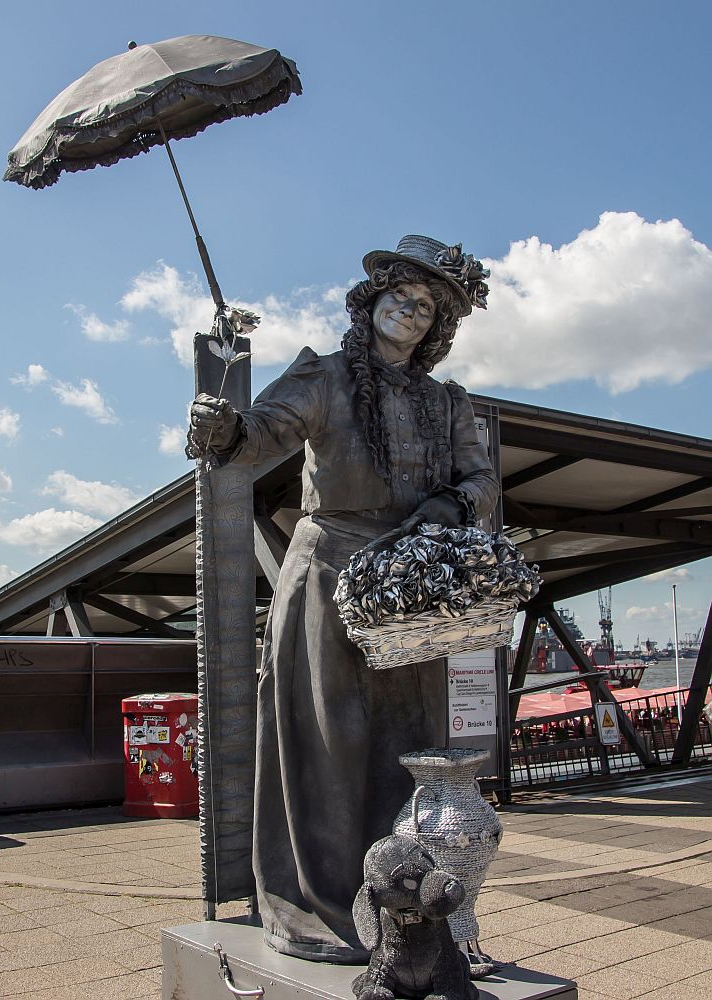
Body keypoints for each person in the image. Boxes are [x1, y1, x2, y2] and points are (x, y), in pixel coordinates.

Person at [189, 235, 499, 962]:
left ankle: (405, 901)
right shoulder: (321, 376)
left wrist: (450, 509)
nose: (411, 312)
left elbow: (479, 481)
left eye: (426, 308)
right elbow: (259, 434)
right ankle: (319, 905)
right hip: (327, 572)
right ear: (372, 300)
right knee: (325, 738)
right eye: (401, 296)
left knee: (409, 744)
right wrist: (224, 427)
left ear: (436, 328)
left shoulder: (446, 403)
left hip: (410, 585)